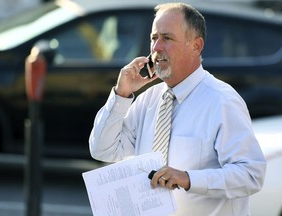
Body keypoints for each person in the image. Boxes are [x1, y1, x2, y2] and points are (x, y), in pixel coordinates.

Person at [89, 2, 266, 216]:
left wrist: (188, 178)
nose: (156, 48)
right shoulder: (148, 99)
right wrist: (121, 94)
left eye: (167, 38)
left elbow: (251, 175)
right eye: (154, 38)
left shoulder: (222, 101)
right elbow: (102, 149)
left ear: (196, 46)